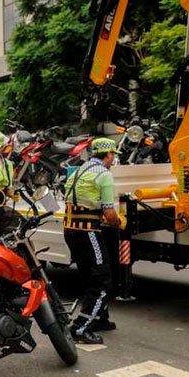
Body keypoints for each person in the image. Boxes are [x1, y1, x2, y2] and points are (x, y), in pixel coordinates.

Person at [63, 137, 126, 344]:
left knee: (89, 277)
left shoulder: (78, 170)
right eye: (113, 155)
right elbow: (109, 213)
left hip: (71, 230)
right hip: (88, 232)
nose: (113, 159)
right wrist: (118, 222)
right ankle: (80, 328)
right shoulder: (104, 175)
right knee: (101, 282)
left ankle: (100, 318)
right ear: (108, 155)